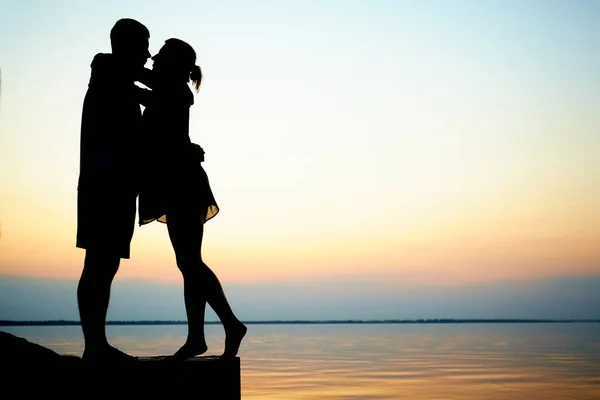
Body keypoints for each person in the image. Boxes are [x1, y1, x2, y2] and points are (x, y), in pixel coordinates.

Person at [138, 38, 247, 360]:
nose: (153, 59)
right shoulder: (167, 87)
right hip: (176, 182)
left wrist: (106, 66)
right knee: (188, 263)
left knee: (190, 262)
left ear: (174, 64)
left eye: (160, 55)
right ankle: (198, 337)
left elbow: (137, 84)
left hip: (183, 183)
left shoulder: (173, 89)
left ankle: (229, 324)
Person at [76, 18, 151, 364]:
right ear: (126, 46)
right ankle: (95, 347)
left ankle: (97, 344)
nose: (148, 55)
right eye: (144, 46)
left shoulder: (116, 76)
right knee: (98, 264)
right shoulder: (108, 72)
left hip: (116, 188)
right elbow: (157, 91)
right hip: (104, 187)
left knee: (103, 266)